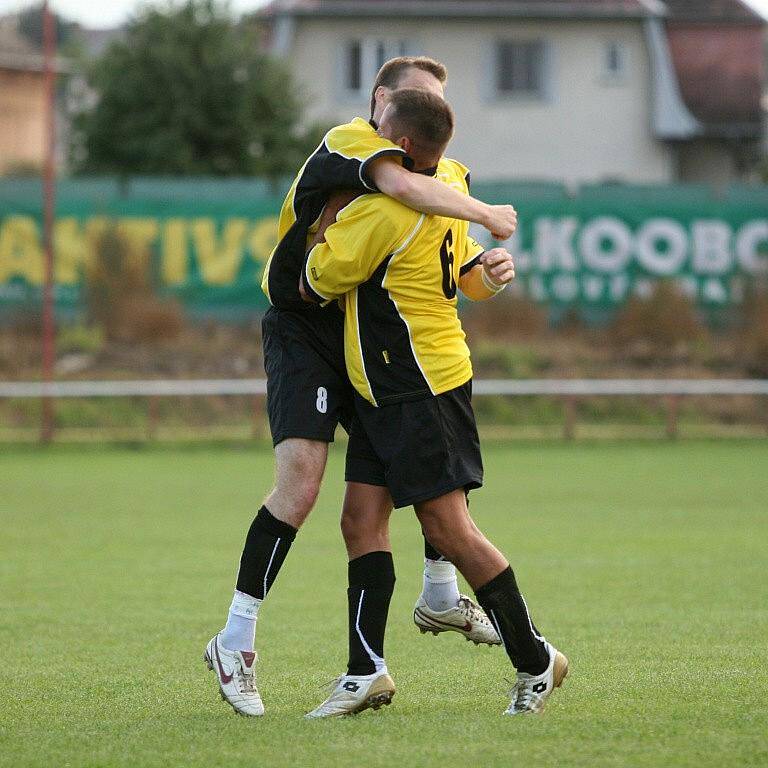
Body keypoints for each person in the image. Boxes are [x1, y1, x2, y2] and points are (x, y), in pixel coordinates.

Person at [203, 57, 515, 717]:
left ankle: (408, 625)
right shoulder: (353, 141)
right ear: (382, 102)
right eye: (417, 102)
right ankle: (236, 638)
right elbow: (405, 191)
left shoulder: (440, 175)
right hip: (305, 329)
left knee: (391, 492)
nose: (431, 121)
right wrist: (488, 210)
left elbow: (454, 273)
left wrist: (485, 267)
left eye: (438, 105)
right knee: (302, 481)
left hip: (366, 339)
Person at [301, 89, 568, 718]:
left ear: (406, 148)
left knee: (449, 528)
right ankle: (365, 670)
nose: (373, 139)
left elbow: (315, 278)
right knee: (360, 522)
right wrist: (486, 276)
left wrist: (320, 222)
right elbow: (459, 274)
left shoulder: (383, 213)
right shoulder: (449, 182)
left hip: (415, 384)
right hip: (386, 383)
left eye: (383, 133)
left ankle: (536, 661)